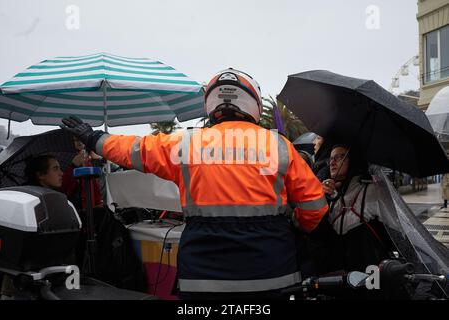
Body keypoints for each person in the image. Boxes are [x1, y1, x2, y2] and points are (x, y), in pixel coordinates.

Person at [61, 68, 328, 299]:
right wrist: (295, 224)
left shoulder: (186, 144)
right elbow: (315, 207)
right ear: (253, 104)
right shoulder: (279, 146)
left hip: (203, 277)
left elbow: (134, 150)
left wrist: (93, 137)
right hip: (273, 274)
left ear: (212, 104)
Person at [314, 145, 395, 274]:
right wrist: (320, 197)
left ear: (354, 160)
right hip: (340, 274)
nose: (333, 162)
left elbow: (396, 232)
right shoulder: (329, 192)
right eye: (331, 159)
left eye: (340, 157)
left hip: (370, 273)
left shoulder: (372, 191)